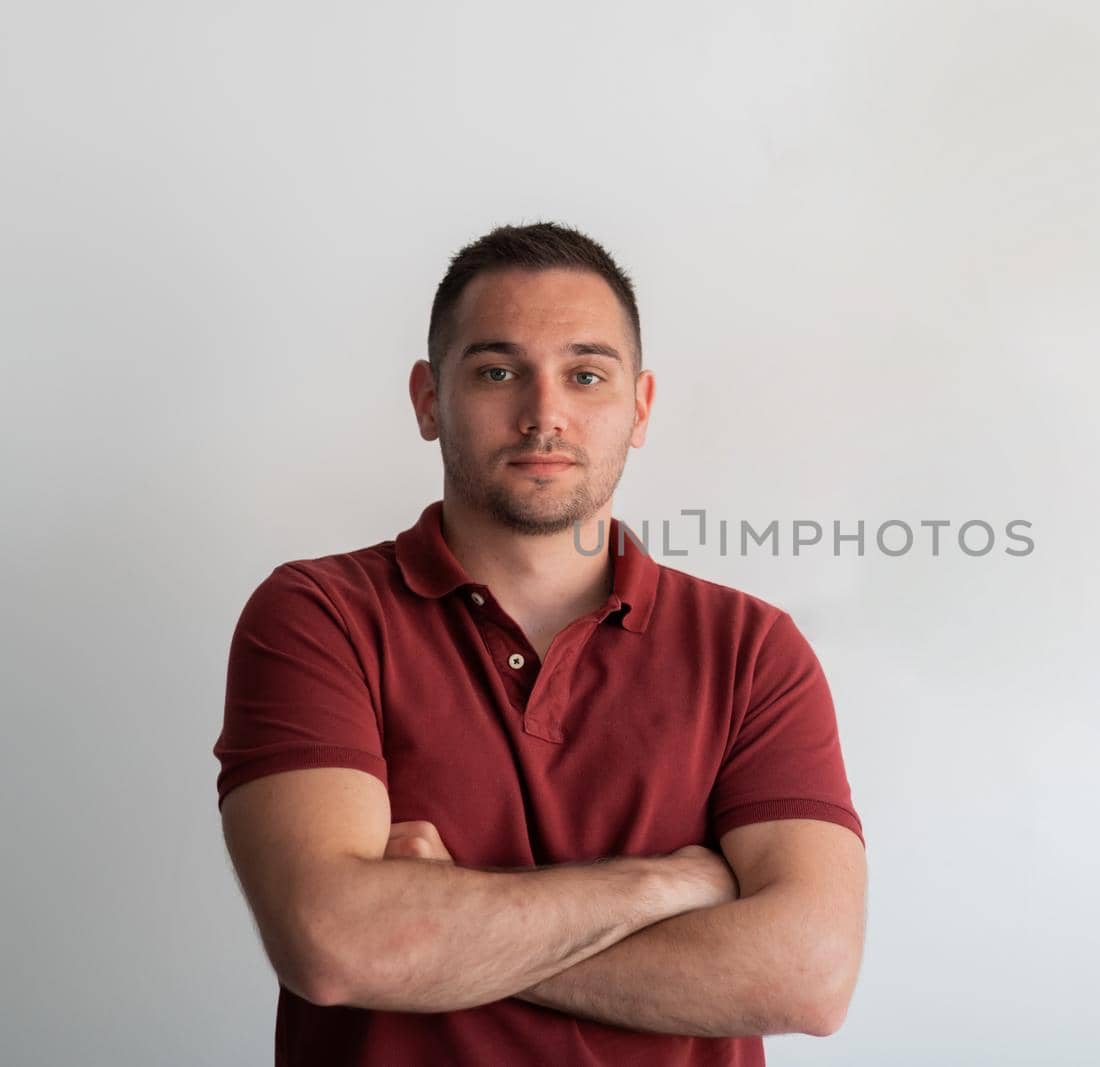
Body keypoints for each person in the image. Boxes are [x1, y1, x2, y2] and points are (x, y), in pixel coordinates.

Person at [213, 222, 867, 1066]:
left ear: (639, 408)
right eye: (497, 371)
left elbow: (809, 976)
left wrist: (439, 929)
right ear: (426, 398)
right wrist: (664, 883)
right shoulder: (317, 616)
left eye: (586, 374)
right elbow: (336, 946)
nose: (544, 413)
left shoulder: (751, 649)